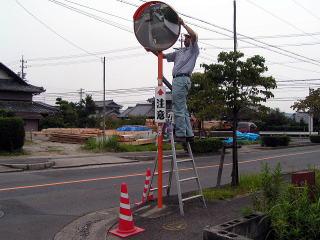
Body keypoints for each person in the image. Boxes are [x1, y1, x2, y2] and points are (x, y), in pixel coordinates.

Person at [163, 17, 199, 142]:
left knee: (178, 107)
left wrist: (183, 24)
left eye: (188, 38)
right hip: (178, 80)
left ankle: (181, 134)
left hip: (182, 79)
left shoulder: (193, 50)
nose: (186, 39)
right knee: (183, 109)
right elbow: (162, 55)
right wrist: (151, 47)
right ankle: (188, 134)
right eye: (185, 38)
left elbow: (195, 35)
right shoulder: (179, 52)